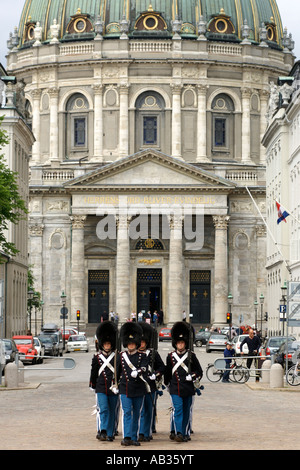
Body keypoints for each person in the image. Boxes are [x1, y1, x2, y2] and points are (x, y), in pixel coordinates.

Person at [164, 321, 203, 443]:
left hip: (188, 387)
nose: (180, 345)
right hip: (175, 388)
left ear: (185, 343)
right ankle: (178, 432)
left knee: (186, 411)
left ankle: (185, 432)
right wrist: (167, 384)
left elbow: (199, 371)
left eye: (182, 343)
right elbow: (168, 372)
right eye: (178, 343)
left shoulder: (191, 355)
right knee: (178, 409)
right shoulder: (170, 356)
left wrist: (193, 376)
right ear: (175, 344)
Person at [117, 322, 149, 446]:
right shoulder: (121, 356)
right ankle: (127, 437)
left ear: (136, 343)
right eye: (128, 343)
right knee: (126, 412)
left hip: (138, 388)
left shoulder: (142, 356)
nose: (130, 345)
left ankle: (134, 437)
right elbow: (117, 372)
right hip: (125, 388)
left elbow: (145, 368)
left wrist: (139, 371)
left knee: (136, 413)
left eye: (132, 343)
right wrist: (115, 385)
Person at [89, 321, 119, 442]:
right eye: (105, 344)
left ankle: (110, 433)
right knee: (103, 409)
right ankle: (103, 430)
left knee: (112, 410)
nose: (107, 346)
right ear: (102, 345)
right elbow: (94, 372)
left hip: (113, 387)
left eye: (108, 344)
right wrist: (92, 385)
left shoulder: (117, 356)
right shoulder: (97, 358)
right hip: (101, 387)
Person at [138, 322, 165, 442]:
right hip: (137, 386)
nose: (142, 344)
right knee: (140, 411)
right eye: (140, 341)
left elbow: (162, 367)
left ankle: (146, 432)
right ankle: (140, 432)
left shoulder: (153, 354)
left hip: (150, 385)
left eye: (144, 342)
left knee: (149, 410)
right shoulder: (132, 354)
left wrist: (156, 374)